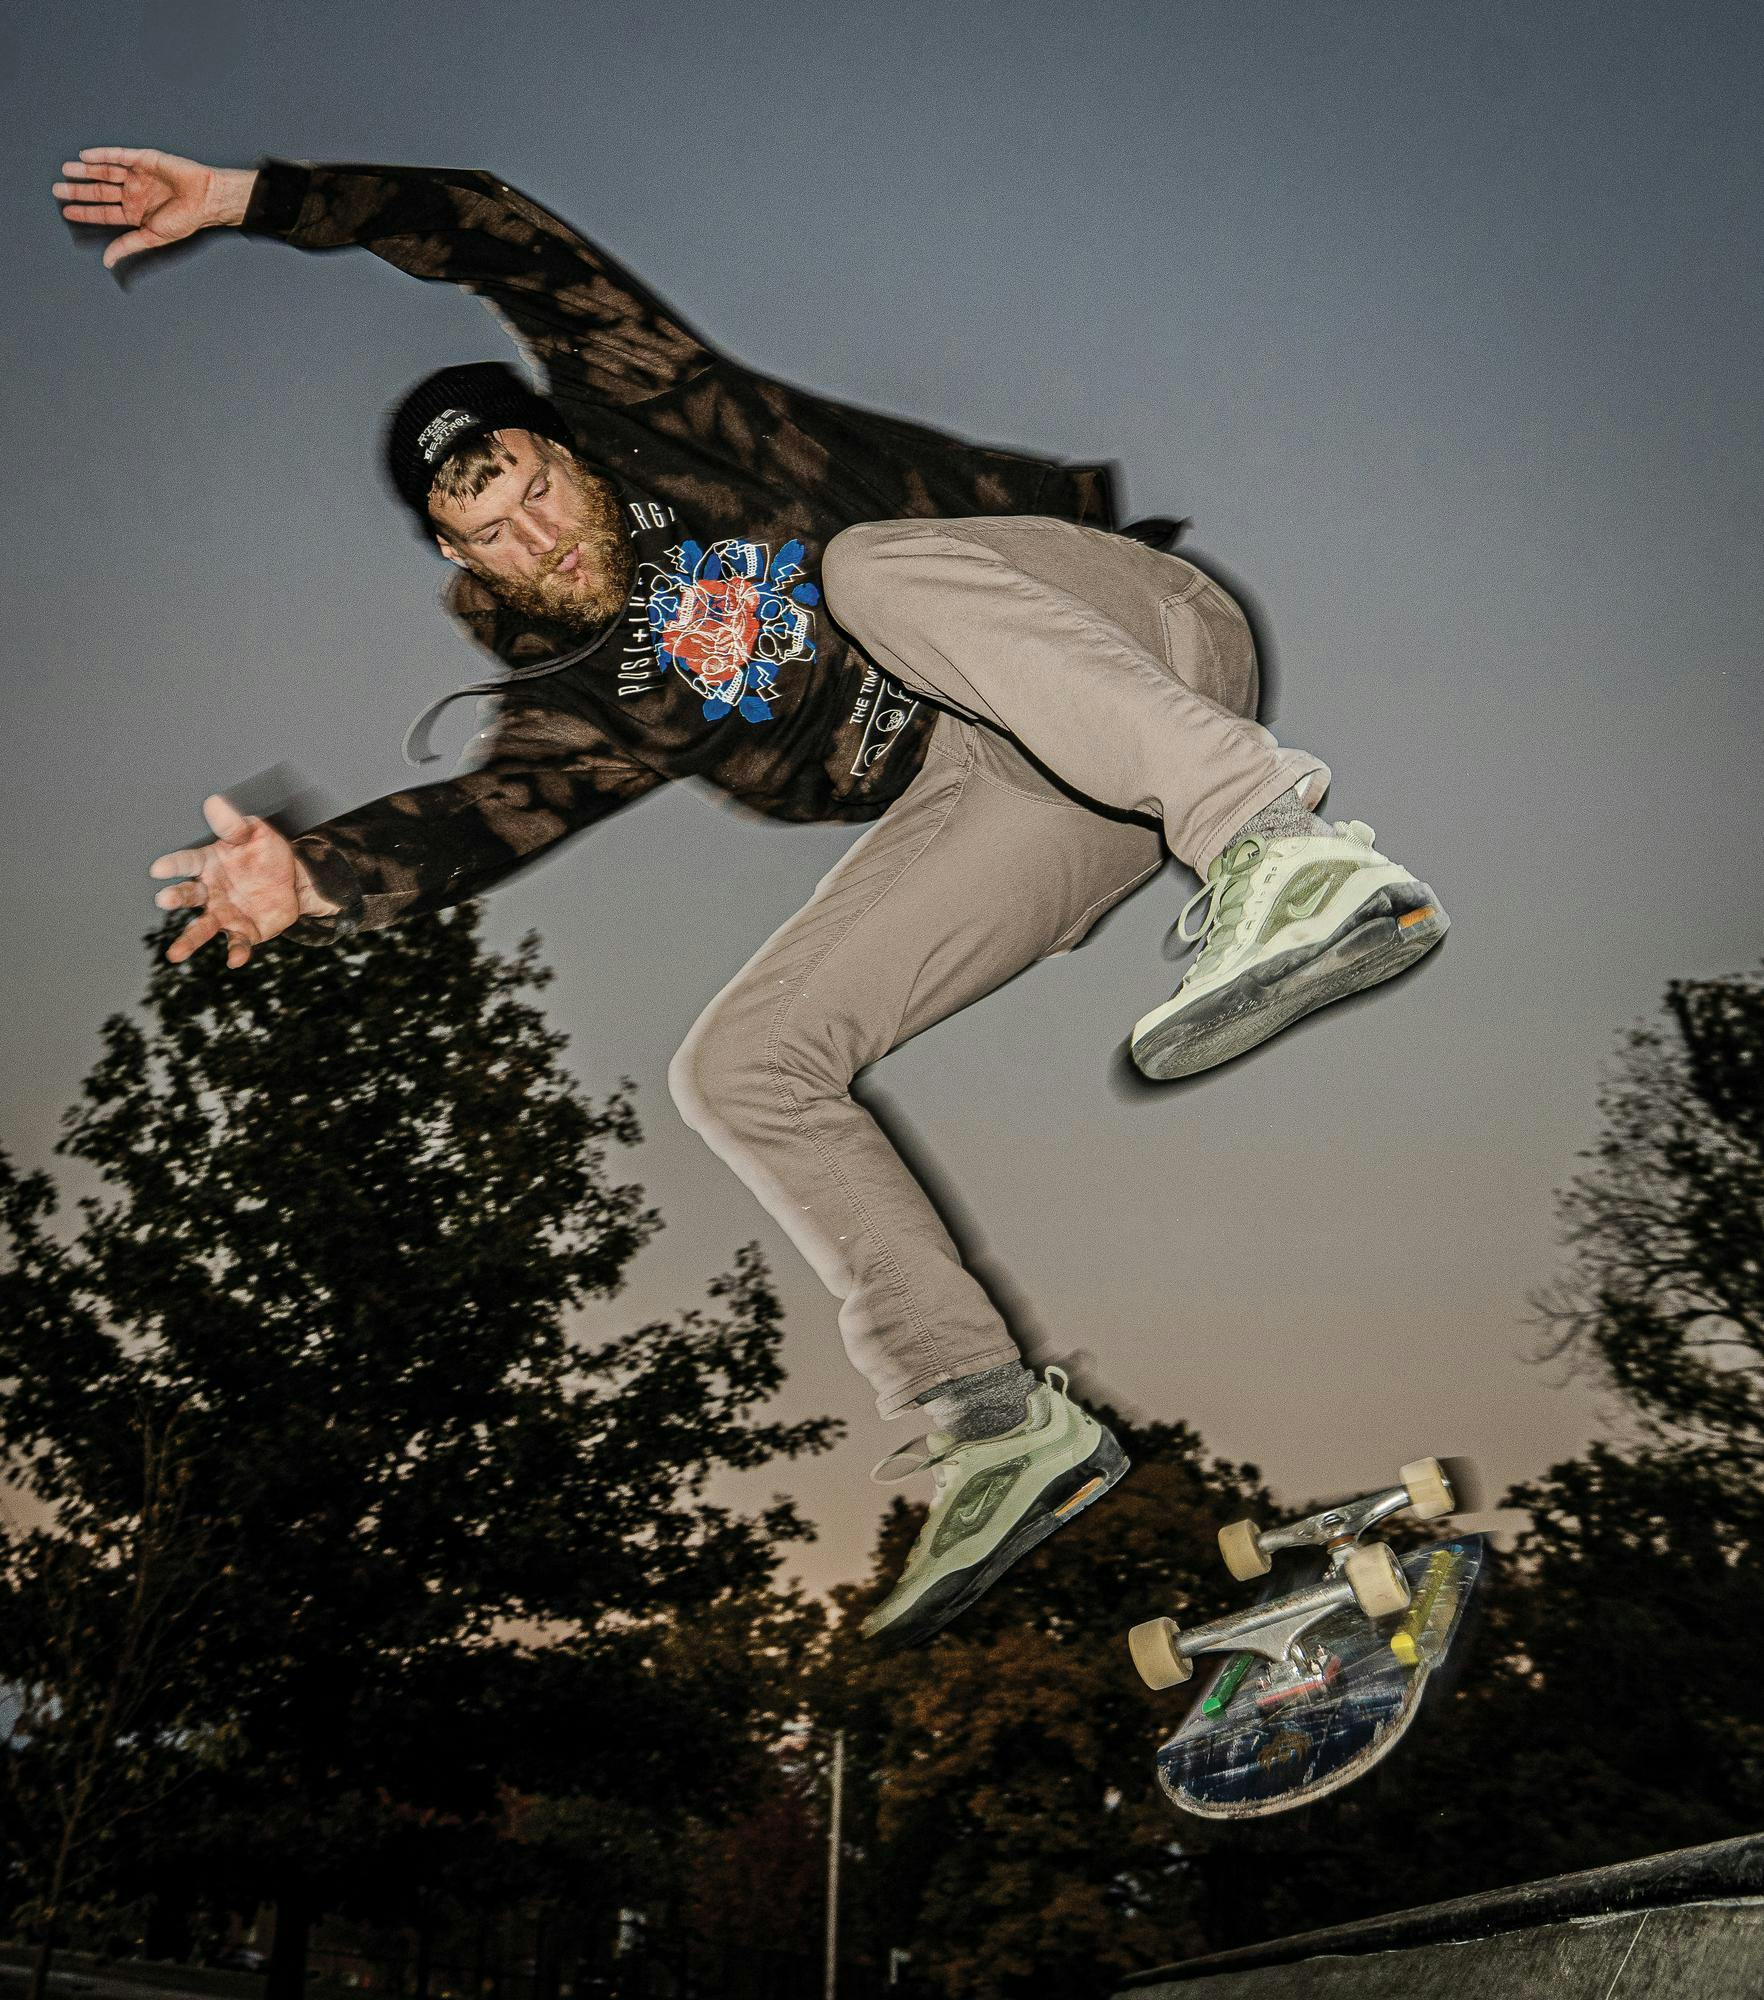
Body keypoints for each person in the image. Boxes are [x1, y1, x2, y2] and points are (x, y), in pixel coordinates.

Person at [54, 146, 1449, 1645]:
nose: (536, 536)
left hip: (1128, 643)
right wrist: (314, 872)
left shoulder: (659, 411)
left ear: (567, 451)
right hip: (1038, 799)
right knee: (742, 1061)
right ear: (463, 561)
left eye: (532, 487)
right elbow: (485, 817)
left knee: (858, 569)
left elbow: (497, 241)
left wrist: (257, 200)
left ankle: (1280, 851)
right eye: (490, 535)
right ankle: (987, 1416)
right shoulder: (596, 702)